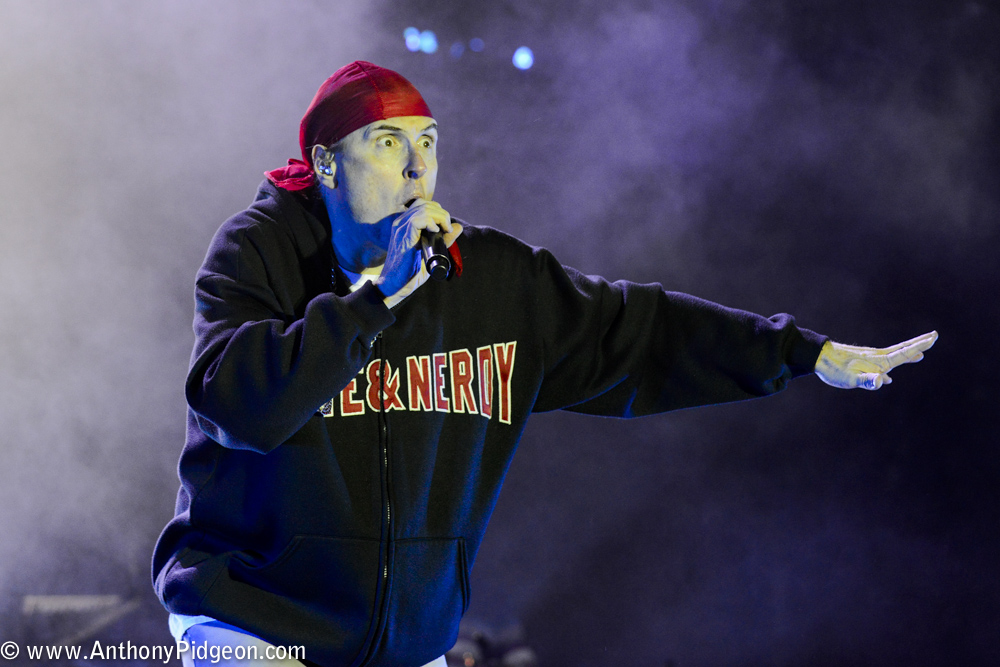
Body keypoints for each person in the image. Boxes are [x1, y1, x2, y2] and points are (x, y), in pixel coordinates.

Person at [151, 61, 936, 667]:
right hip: (250, 622)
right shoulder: (258, 253)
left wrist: (803, 352)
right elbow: (239, 406)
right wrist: (373, 299)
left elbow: (639, 330)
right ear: (327, 165)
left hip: (401, 645)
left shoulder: (488, 281)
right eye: (388, 145)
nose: (418, 171)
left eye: (428, 143)